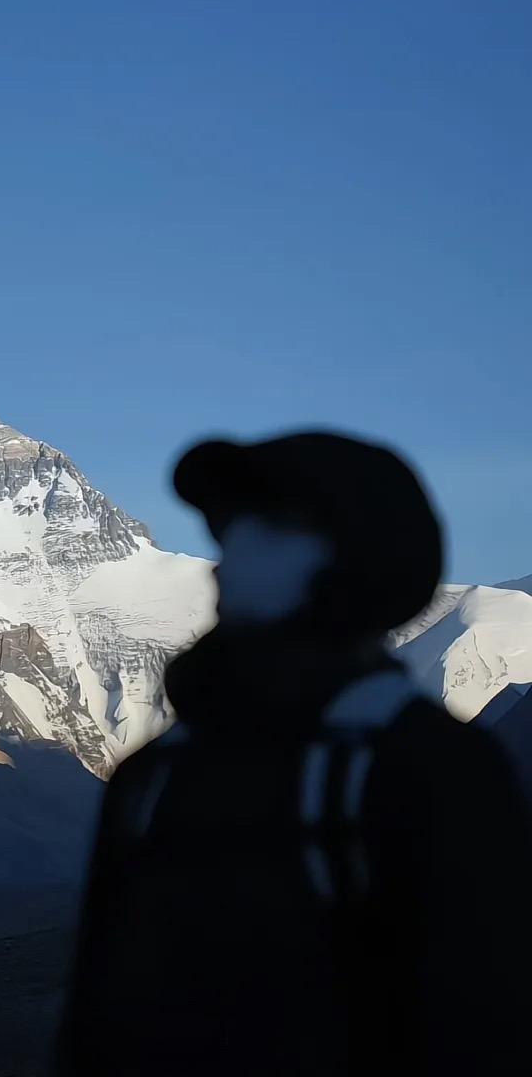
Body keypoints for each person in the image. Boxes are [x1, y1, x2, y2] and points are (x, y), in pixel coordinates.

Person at [54, 431, 532, 1077]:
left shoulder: (428, 769)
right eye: (232, 529)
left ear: (356, 557)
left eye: (271, 528)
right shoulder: (156, 772)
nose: (229, 555)